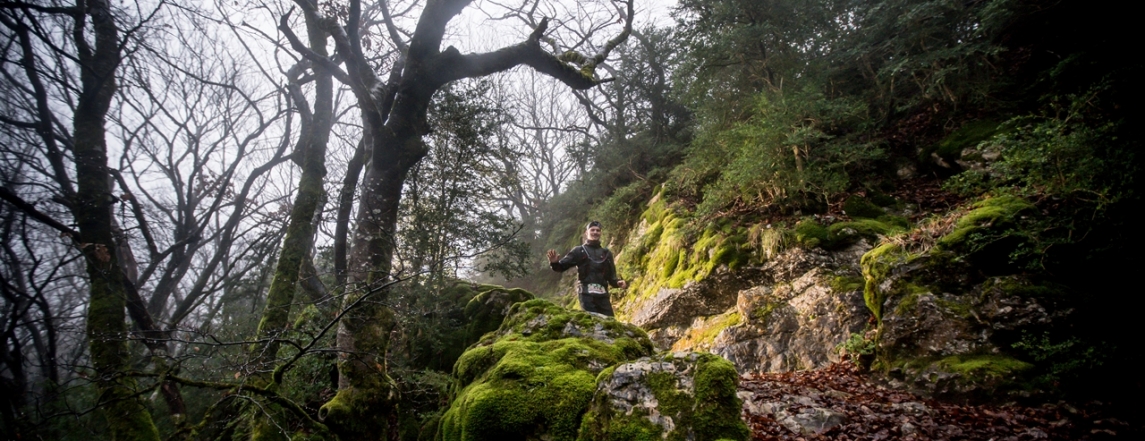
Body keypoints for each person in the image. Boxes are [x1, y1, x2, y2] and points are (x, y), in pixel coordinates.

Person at [547, 220, 627, 316]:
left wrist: (617, 282)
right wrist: (554, 263)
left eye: (598, 230)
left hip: (603, 295)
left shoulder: (606, 253)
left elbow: (611, 276)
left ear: (601, 233)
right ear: (586, 233)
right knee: (593, 321)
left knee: (611, 324)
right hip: (586, 294)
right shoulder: (579, 251)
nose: (595, 232)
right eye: (592, 230)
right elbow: (561, 267)